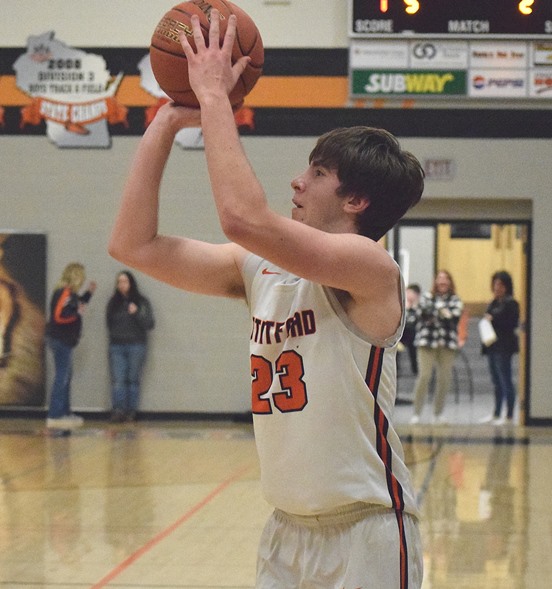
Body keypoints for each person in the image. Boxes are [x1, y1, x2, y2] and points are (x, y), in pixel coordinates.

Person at [109, 11, 425, 588]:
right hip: (286, 531)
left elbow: (241, 218)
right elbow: (134, 244)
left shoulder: (371, 269)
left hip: (368, 532)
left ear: (355, 198)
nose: (297, 182)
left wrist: (213, 100)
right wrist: (166, 120)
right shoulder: (259, 268)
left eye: (318, 172)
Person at [45, 263, 96, 429]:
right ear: (76, 276)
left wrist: (88, 293)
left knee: (66, 376)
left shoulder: (70, 293)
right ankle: (55, 415)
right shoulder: (64, 292)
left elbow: (76, 304)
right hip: (60, 340)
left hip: (65, 340)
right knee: (62, 377)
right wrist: (77, 315)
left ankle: (64, 413)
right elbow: (59, 316)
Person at [410, 270, 463, 425]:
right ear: (435, 282)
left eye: (445, 279)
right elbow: (421, 313)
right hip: (426, 342)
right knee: (424, 376)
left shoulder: (455, 299)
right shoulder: (427, 297)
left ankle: (437, 413)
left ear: (450, 282)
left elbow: (453, 318)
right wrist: (440, 312)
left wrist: (435, 313)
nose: (442, 282)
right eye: (439, 279)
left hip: (447, 343)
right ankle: (416, 413)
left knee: (444, 379)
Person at [106, 270, 154, 422]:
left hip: (136, 345)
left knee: (132, 380)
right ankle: (118, 410)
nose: (122, 285)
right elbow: (108, 323)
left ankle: (131, 412)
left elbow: (149, 324)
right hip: (117, 346)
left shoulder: (141, 302)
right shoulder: (113, 303)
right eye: (119, 282)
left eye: (125, 281)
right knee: (118, 380)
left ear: (131, 283)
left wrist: (137, 313)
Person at [480, 271, 520, 425]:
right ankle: (496, 413)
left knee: (505, 380)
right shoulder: (494, 303)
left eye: (501, 285)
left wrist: (494, 318)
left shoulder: (511, 303)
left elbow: (510, 323)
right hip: (492, 346)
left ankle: (509, 415)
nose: (497, 288)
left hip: (504, 347)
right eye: (495, 284)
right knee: (496, 381)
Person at [398, 283, 421, 375]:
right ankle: (397, 368)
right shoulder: (402, 305)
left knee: (412, 334)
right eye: (408, 293)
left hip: (414, 334)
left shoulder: (419, 307)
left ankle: (415, 368)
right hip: (402, 333)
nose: (409, 295)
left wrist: (414, 306)